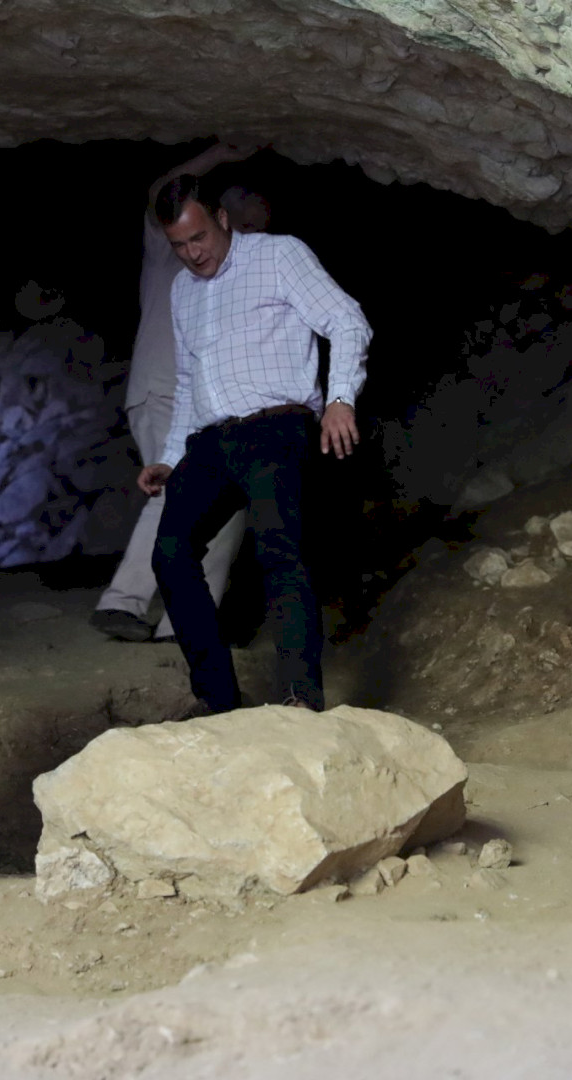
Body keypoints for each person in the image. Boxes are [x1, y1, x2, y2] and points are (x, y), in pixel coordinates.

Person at [141, 176, 370, 714]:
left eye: (199, 237)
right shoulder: (181, 291)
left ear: (222, 218)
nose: (192, 254)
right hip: (210, 441)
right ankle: (217, 700)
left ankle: (299, 698)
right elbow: (187, 381)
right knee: (170, 554)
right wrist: (170, 457)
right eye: (179, 245)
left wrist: (340, 398)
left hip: (276, 428)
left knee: (280, 550)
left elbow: (346, 319)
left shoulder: (279, 255)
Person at [90, 143, 267, 644]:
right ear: (220, 216)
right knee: (175, 489)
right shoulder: (172, 251)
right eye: (245, 223)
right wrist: (222, 152)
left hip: (206, 408)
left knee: (226, 507)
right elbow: (159, 195)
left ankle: (186, 624)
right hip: (162, 392)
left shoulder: (234, 277)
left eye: (258, 228)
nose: (249, 235)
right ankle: (122, 602)